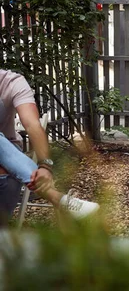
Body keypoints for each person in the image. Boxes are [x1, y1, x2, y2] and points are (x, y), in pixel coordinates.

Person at [0, 69, 99, 225]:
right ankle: (56, 197)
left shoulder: (11, 82)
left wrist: (46, 165)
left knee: (5, 174)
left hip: (7, 156)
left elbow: (32, 124)